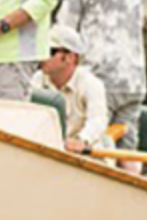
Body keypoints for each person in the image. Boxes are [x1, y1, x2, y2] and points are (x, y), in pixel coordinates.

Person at [53, 0, 147, 152]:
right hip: (134, 82)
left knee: (93, 145)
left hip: (98, 80)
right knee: (128, 153)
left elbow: (63, 31)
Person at [30, 25, 110, 153]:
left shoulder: (91, 84)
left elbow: (98, 119)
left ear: (71, 57)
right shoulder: (36, 80)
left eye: (50, 51)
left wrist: (82, 140)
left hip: (85, 158)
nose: (42, 55)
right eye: (41, 49)